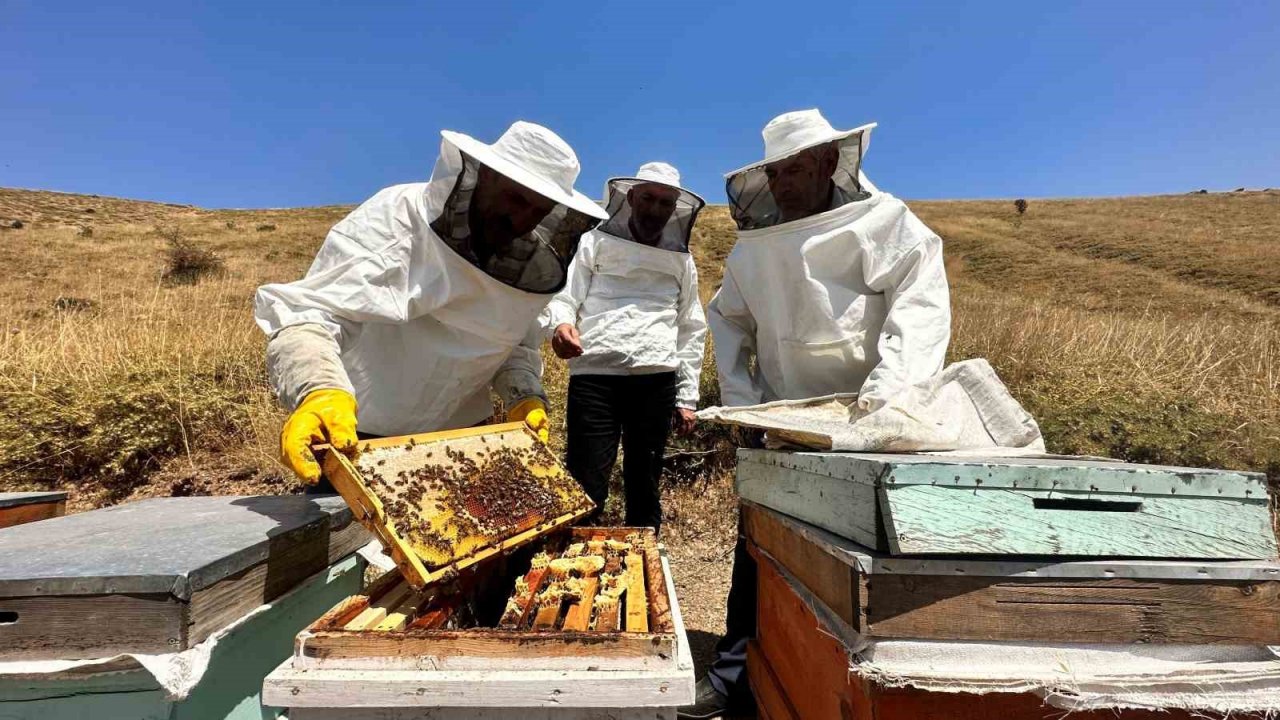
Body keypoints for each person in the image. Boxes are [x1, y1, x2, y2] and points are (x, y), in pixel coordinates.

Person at [679, 110, 951, 718]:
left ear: (830, 162)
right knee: (758, 548)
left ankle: (843, 685)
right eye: (773, 174)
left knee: (859, 564)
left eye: (794, 170)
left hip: (873, 427)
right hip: (786, 422)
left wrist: (882, 403)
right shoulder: (755, 248)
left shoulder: (886, 223)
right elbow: (727, 319)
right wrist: (747, 406)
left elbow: (921, 309)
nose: (781, 185)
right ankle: (733, 675)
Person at [254, 121, 609, 487]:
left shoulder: (530, 263)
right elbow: (312, 314)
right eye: (516, 199)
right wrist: (318, 390)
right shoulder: (397, 219)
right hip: (355, 432)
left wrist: (524, 394)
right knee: (343, 525)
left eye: (539, 211)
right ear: (486, 175)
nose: (522, 220)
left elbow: (512, 343)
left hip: (461, 441)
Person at [541, 162, 708, 531]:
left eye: (665, 203)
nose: (655, 209)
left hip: (656, 381)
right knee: (585, 481)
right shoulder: (593, 242)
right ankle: (578, 557)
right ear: (631, 198)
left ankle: (644, 559)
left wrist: (687, 397)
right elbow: (566, 296)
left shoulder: (682, 259)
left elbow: (691, 326)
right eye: (648, 198)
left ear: (675, 208)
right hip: (595, 378)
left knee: (644, 482)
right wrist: (561, 325)